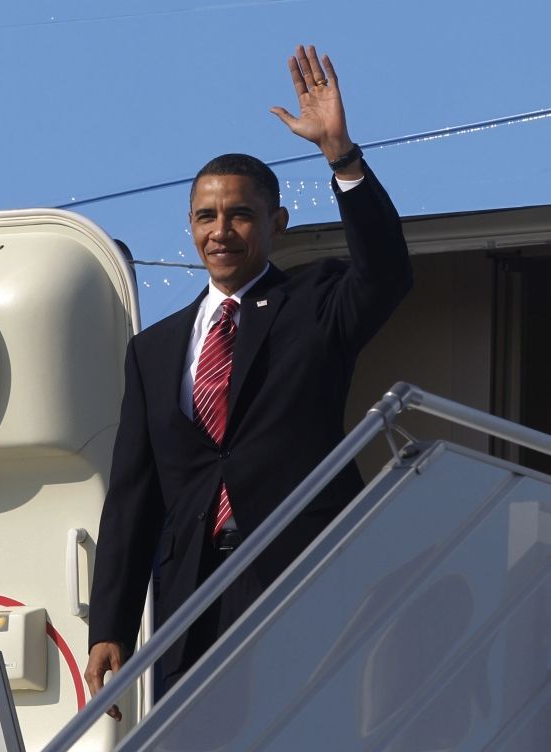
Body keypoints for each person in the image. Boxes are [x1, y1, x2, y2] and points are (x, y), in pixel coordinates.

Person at [84, 45, 413, 718]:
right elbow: (133, 499)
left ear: (275, 223)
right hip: (195, 595)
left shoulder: (316, 303)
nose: (220, 230)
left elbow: (385, 274)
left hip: (305, 571)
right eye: (206, 216)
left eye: (238, 214)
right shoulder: (155, 349)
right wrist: (110, 625)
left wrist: (340, 156)